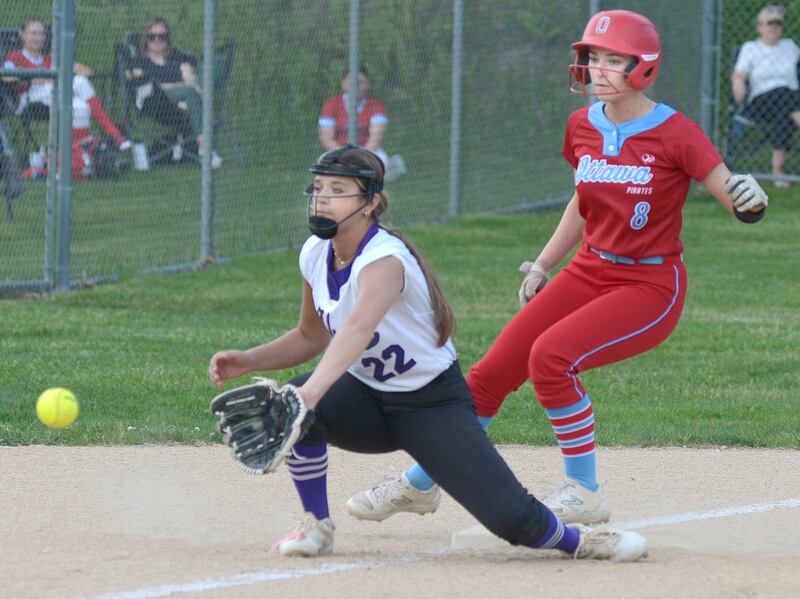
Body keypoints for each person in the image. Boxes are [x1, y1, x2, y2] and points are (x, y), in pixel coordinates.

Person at [345, 10, 769, 528]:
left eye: (614, 60)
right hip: (588, 269)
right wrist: (545, 262)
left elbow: (732, 194)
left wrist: (751, 199)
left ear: (645, 68)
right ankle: (421, 484)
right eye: (593, 58)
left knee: (551, 358)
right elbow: (582, 200)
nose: (597, 69)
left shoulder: (675, 132)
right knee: (488, 375)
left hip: (648, 283)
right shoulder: (582, 125)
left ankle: (585, 491)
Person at [207, 144, 649, 562]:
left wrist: (313, 392)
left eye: (338, 190)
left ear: (372, 202)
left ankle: (583, 542)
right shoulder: (314, 254)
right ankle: (316, 526)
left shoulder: (384, 259)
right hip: (367, 402)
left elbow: (358, 329)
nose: (322, 199)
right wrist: (249, 360)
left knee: (515, 521)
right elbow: (311, 335)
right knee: (299, 404)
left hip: (432, 407)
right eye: (319, 189)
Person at [3, 17, 130, 157]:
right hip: (28, 99)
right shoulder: (14, 56)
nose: (38, 38)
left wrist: (62, 73)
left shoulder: (50, 58)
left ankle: (75, 156)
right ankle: (113, 132)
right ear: (22, 34)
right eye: (33, 33)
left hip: (55, 94)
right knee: (79, 82)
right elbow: (6, 76)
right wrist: (37, 78)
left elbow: (87, 71)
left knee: (81, 107)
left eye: (41, 34)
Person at [128, 17, 221, 169]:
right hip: (159, 102)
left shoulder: (176, 56)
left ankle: (190, 103)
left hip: (188, 96)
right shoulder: (140, 61)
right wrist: (181, 85)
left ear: (167, 39)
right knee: (190, 92)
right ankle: (205, 147)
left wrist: (188, 71)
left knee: (216, 61)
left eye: (162, 37)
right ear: (146, 39)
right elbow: (143, 86)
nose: (157, 40)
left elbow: (193, 70)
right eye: (152, 37)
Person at [731, 4, 800, 187]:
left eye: (778, 24)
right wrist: (737, 83)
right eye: (769, 23)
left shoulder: (789, 46)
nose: (774, 27)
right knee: (786, 95)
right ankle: (777, 172)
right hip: (762, 101)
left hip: (790, 102)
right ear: (759, 26)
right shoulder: (751, 48)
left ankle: (777, 173)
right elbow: (739, 74)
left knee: (785, 114)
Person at [318, 67, 406, 181]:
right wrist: (345, 156)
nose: (356, 86)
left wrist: (360, 157)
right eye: (351, 82)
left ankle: (389, 167)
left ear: (368, 84)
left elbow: (375, 138)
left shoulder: (376, 106)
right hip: (340, 151)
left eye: (361, 82)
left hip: (368, 151)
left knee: (379, 164)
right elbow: (327, 139)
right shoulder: (331, 105)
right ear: (343, 84)